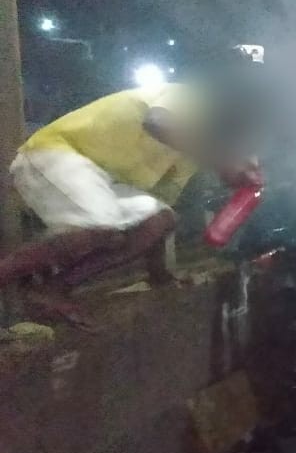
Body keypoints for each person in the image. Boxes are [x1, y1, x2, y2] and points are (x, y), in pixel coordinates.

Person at [0, 73, 260, 325]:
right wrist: (220, 160)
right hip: (55, 153)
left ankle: (52, 289)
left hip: (100, 179)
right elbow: (156, 122)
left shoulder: (188, 156)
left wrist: (162, 278)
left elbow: (156, 211)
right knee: (96, 224)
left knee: (160, 220)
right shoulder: (189, 97)